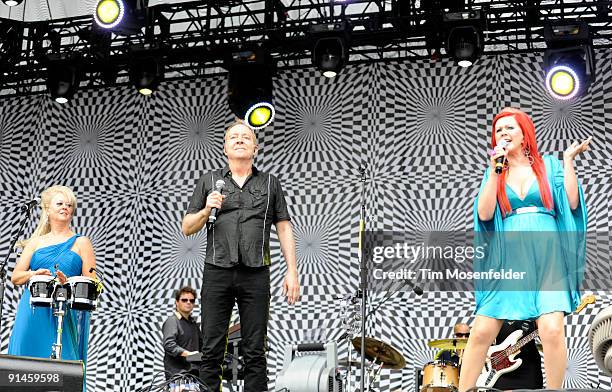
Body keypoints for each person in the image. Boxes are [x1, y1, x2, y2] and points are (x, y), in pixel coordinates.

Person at [458, 107, 590, 391]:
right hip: (511, 258)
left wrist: (568, 160)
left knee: (552, 330)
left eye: (510, 128)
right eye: (499, 130)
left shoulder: (549, 166)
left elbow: (572, 203)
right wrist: (495, 169)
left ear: (524, 132)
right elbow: (484, 214)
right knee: (481, 331)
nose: (503, 134)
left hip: (547, 254)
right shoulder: (496, 170)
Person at [182, 119, 300, 392]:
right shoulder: (209, 181)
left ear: (255, 148)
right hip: (217, 270)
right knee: (211, 348)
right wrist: (205, 209)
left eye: (246, 137)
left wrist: (292, 270)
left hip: (256, 272)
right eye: (233, 137)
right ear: (225, 147)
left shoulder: (271, 183)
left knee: (255, 349)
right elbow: (187, 227)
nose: (239, 139)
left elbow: (283, 226)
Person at [9, 185, 96, 362]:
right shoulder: (35, 243)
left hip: (62, 311)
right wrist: (33, 274)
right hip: (32, 309)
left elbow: (92, 283)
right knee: (24, 364)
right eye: (60, 203)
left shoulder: (82, 242)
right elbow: (15, 277)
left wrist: (69, 282)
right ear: (47, 209)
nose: (66, 207)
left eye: (70, 205)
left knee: (62, 367)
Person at [162, 286, 203, 379]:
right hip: (177, 375)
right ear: (177, 302)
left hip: (194, 375)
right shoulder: (172, 321)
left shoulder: (194, 324)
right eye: (184, 300)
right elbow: (169, 345)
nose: (188, 302)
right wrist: (189, 354)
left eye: (191, 300)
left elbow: (202, 347)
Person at [493, 320, 543, 390]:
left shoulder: (534, 311)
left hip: (527, 370)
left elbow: (549, 341)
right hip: (497, 369)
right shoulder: (492, 311)